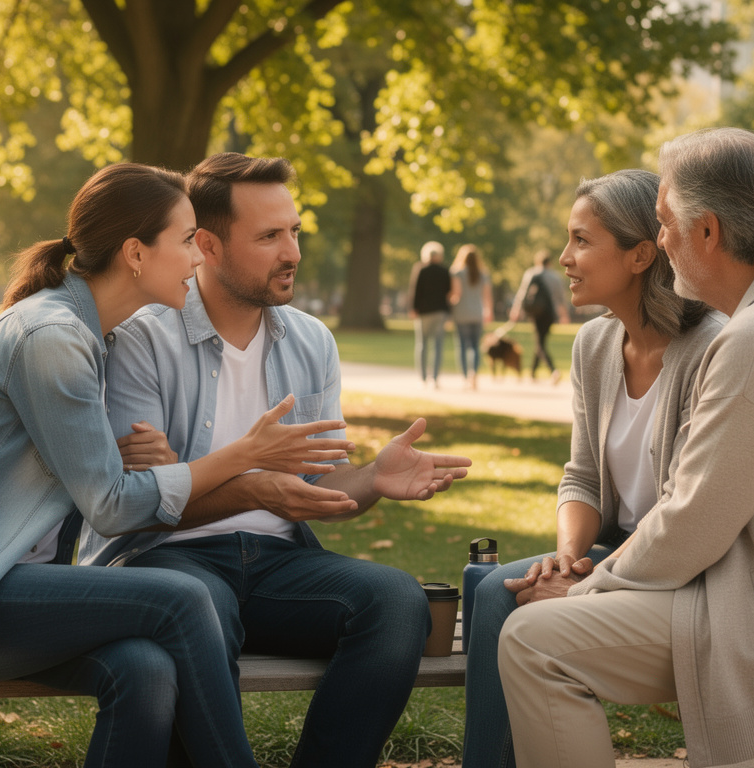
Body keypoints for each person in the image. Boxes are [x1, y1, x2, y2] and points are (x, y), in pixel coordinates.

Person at [0, 163, 355, 768]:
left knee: (144, 668)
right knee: (183, 597)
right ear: (136, 253)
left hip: (0, 594)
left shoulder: (91, 334)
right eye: (188, 240)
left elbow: (81, 473)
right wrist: (242, 456)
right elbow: (112, 507)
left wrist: (117, 460)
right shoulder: (52, 336)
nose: (201, 258)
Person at [497, 128, 754, 768]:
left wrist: (584, 591)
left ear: (709, 232)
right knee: (505, 597)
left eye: (666, 224)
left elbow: (692, 521)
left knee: (533, 641)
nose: (661, 242)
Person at [78, 153, 473, 768]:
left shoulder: (311, 340)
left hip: (281, 563)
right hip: (170, 562)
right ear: (205, 244)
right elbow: (136, 510)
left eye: (294, 231)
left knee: (396, 602)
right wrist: (254, 489)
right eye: (268, 237)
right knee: (198, 610)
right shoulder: (141, 339)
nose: (291, 252)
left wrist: (371, 476)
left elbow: (311, 485)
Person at [462, 169, 725, 768]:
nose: (564, 257)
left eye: (582, 240)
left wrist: (591, 579)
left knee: (497, 594)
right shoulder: (594, 346)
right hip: (611, 548)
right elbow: (581, 474)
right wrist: (567, 557)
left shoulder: (711, 347)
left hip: (682, 564)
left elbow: (689, 509)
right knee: (486, 583)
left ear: (639, 254)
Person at [509, 248, 570, 383]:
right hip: (549, 313)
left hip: (535, 312)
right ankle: (533, 372)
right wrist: (564, 315)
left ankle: (553, 370)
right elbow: (561, 298)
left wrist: (516, 309)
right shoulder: (555, 276)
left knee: (540, 342)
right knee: (541, 340)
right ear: (549, 262)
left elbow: (522, 293)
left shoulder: (530, 273)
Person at [450, 243, 495, 389]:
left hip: (461, 314)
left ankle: (464, 377)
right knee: (475, 347)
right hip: (477, 314)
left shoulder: (457, 273)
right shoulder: (483, 274)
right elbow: (487, 296)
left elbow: (456, 295)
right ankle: (473, 374)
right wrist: (489, 312)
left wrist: (449, 306)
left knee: (462, 346)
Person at [408, 240, 452, 387]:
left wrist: (413, 308)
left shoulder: (421, 269)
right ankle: (435, 377)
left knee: (422, 344)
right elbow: (448, 293)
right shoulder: (445, 271)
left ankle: (423, 377)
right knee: (437, 344)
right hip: (440, 312)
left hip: (424, 312)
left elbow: (416, 290)